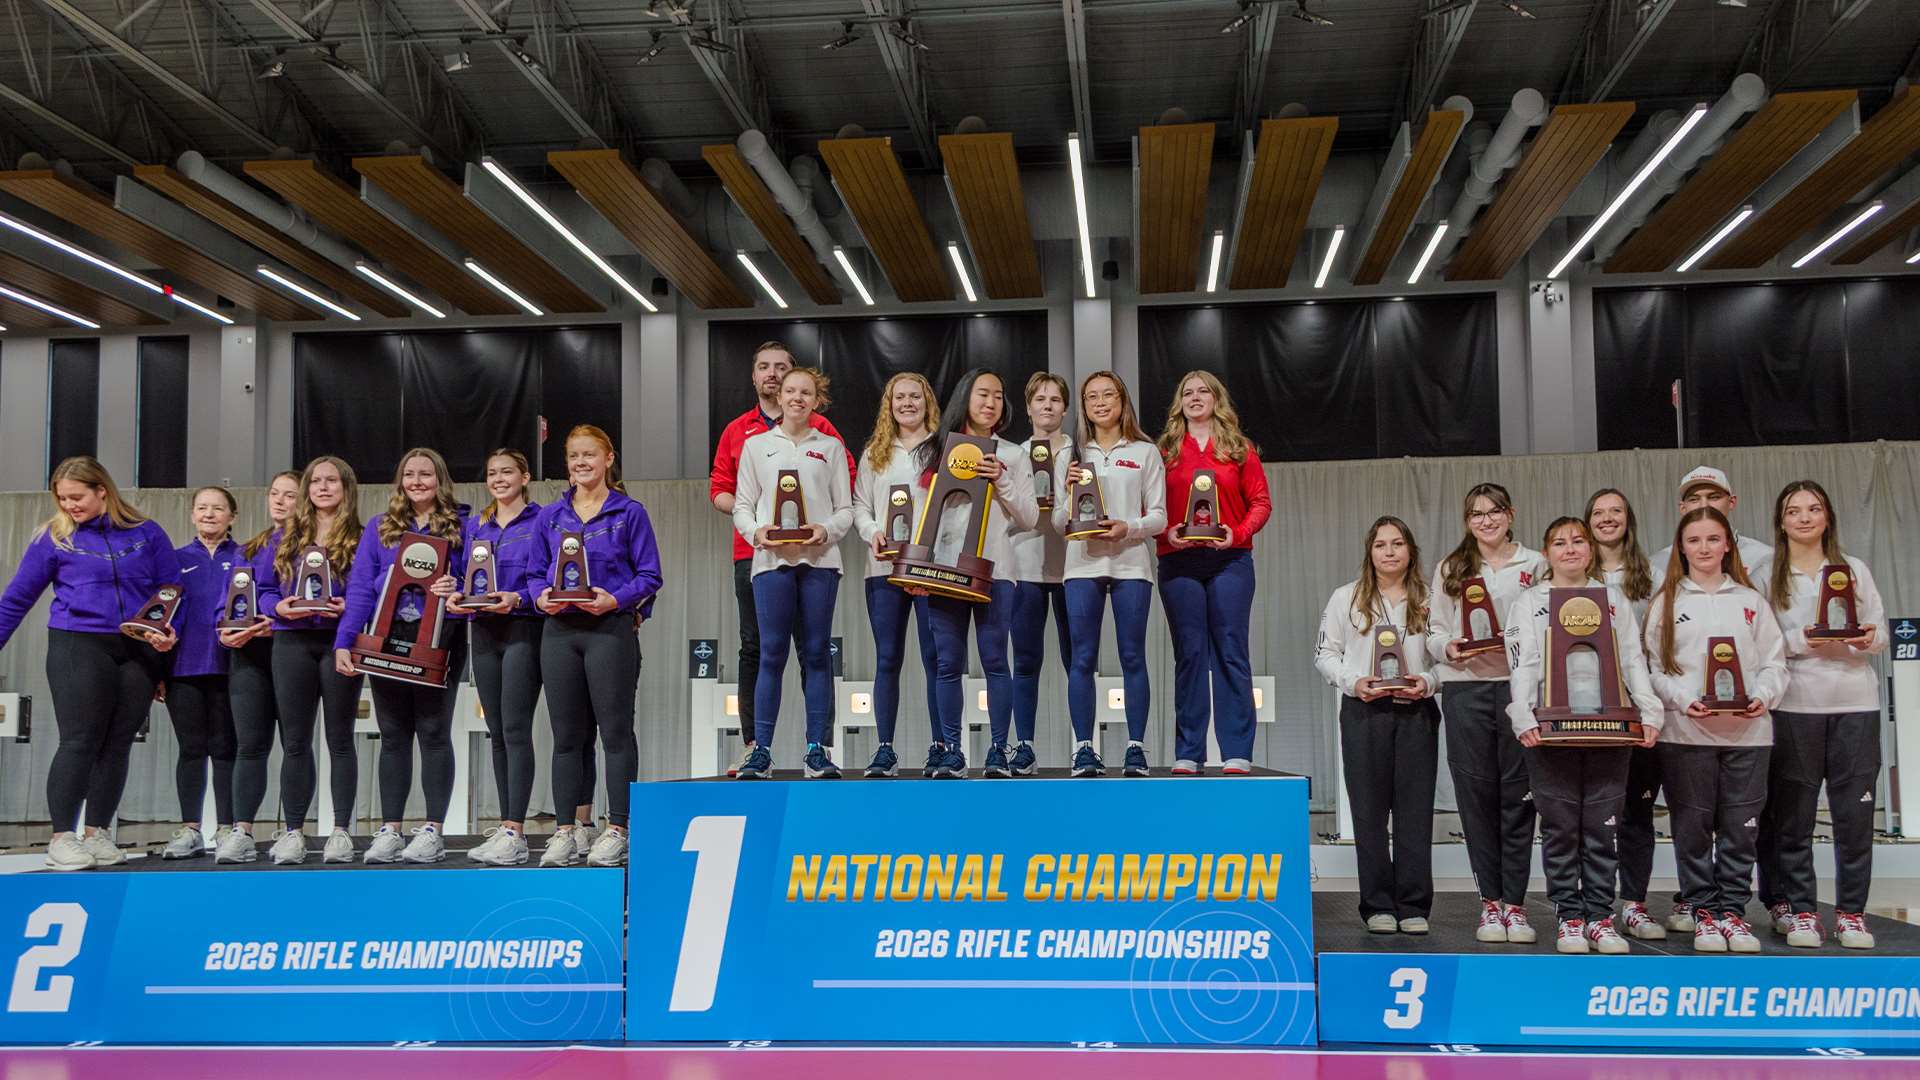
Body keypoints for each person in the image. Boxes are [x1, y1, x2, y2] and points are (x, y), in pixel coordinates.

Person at [0, 457, 176, 870]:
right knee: (79, 740)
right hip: (77, 645)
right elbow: (17, 598)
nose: (69, 505)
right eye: (62, 498)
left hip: (137, 649)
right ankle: (62, 837)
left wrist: (168, 631)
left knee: (117, 743)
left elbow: (171, 588)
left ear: (102, 491)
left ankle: (97, 834)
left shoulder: (147, 533)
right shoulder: (53, 538)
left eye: (76, 497)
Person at [1506, 517, 1662, 955]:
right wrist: (1523, 716)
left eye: (1578, 541)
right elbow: (1524, 664)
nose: (1570, 548)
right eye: (1559, 542)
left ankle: (1599, 916)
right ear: (1547, 552)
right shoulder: (1529, 602)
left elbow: (1633, 662)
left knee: (1600, 826)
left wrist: (1649, 712)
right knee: (1559, 828)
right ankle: (1569, 917)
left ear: (1591, 549)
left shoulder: (1612, 600)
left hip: (1609, 730)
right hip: (1551, 730)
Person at [1644, 506, 1787, 953]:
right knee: (1692, 829)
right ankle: (1705, 912)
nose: (1703, 548)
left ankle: (1733, 913)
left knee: (1741, 830)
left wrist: (1763, 695)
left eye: (1712, 539)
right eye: (1694, 540)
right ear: (1681, 548)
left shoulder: (1750, 601)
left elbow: (1774, 662)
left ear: (1728, 544)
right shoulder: (1666, 602)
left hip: (1749, 735)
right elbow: (1651, 669)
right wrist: (1684, 700)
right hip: (1686, 735)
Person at [1753, 480, 1887, 949]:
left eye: (1814, 509)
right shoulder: (1767, 573)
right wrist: (1798, 641)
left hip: (1855, 702)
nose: (1805, 517)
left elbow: (1880, 633)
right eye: (1794, 510)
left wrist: (1867, 637)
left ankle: (1852, 913)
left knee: (1854, 818)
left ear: (1827, 516)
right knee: (1794, 818)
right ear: (1782, 520)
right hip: (1796, 704)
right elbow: (1761, 644)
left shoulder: (1854, 569)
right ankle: (1803, 911)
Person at [709, 341, 853, 775]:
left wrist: (825, 530)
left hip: (820, 562)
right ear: (770, 388)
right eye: (789, 390)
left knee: (816, 653)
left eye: (804, 392)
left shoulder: (828, 444)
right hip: (768, 561)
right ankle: (760, 750)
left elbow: (845, 507)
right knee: (767, 652)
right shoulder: (752, 443)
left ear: (815, 399)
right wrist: (757, 533)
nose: (795, 397)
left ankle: (817, 751)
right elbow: (740, 503)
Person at [529, 426, 663, 866]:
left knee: (616, 733)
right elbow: (534, 574)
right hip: (560, 634)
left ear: (608, 458)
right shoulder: (550, 517)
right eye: (573, 456)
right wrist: (539, 596)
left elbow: (649, 576)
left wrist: (616, 599)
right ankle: (567, 829)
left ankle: (618, 828)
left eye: (589, 455)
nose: (581, 463)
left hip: (610, 631)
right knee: (568, 738)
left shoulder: (629, 512)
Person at [335, 448, 470, 864]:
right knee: (392, 736)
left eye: (425, 474)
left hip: (438, 642)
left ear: (439, 478)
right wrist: (344, 641)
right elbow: (359, 590)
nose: (416, 481)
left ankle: (432, 830)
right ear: (399, 481)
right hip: (384, 646)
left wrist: (457, 583)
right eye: (409, 474)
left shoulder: (463, 524)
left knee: (433, 733)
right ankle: (390, 829)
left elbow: (478, 578)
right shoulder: (380, 528)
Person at [1424, 482, 1545, 944]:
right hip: (1466, 689)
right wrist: (1445, 646)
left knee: (1518, 800)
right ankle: (1489, 905)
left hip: (1520, 692)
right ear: (1467, 520)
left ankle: (1515, 905)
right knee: (1476, 800)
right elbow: (1434, 628)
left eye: (1494, 512)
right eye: (1476, 514)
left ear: (1510, 514)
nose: (1486, 520)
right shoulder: (1452, 568)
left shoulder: (1535, 564)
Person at [907, 368, 1037, 779]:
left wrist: (1003, 483)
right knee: (947, 664)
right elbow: (921, 515)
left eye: (998, 396)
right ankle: (951, 750)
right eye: (983, 394)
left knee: (996, 660)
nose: (991, 402)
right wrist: (916, 566)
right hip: (944, 570)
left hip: (996, 571)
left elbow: (1030, 517)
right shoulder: (934, 449)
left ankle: (999, 750)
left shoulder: (1013, 455)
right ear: (965, 398)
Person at [1314, 516, 1438, 934]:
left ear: (1410, 551)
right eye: (1381, 544)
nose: (1389, 551)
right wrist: (1353, 682)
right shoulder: (1345, 598)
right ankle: (1378, 905)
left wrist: (1429, 681)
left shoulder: (1431, 599)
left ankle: (1414, 906)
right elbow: (1325, 654)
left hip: (1415, 711)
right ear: (1370, 551)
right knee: (1368, 814)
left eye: (1398, 543)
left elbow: (1445, 659)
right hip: (1364, 711)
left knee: (1415, 814)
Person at [1155, 371, 1271, 775]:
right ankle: (1189, 751)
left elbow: (1260, 503)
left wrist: (1237, 533)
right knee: (1189, 655)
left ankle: (1236, 751)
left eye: (1203, 390)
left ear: (1217, 398)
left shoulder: (1240, 450)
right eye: (1187, 392)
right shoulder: (1165, 451)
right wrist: (1165, 531)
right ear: (1179, 403)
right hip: (1178, 560)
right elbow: (1151, 505)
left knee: (1230, 651)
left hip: (1230, 560)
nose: (1195, 397)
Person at [257, 455, 365, 865]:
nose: (322, 487)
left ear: (346, 488)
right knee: (296, 742)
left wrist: (346, 614)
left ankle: (340, 831)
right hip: (291, 643)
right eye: (316, 481)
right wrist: (278, 608)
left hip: (339, 642)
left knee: (340, 739)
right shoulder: (283, 536)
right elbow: (264, 589)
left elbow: (365, 591)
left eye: (331, 481)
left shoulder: (362, 534)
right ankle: (293, 832)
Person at [1059, 371, 1166, 778]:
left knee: (1132, 655)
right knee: (1082, 658)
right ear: (1084, 407)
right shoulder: (1071, 454)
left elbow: (1159, 516)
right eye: (1091, 397)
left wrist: (1128, 527)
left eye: (1108, 395)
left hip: (1130, 564)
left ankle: (1136, 748)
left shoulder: (1144, 452)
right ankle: (1084, 749)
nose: (1100, 402)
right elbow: (1056, 520)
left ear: (1123, 401)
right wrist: (1068, 504)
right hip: (1082, 564)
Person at [1583, 488, 1665, 940]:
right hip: (1583, 711)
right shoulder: (1573, 574)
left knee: (1636, 811)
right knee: (1592, 813)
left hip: (1634, 708)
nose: (1607, 518)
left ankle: (1633, 903)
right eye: (1598, 512)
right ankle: (1589, 906)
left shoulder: (1651, 576)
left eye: (1616, 510)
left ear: (1629, 519)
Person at [850, 374, 941, 778]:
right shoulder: (875, 454)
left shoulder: (943, 449)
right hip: (883, 569)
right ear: (889, 404)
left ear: (928, 402)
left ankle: (942, 746)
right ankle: (884, 749)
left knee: (935, 658)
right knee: (888, 657)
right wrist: (873, 533)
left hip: (930, 568)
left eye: (914, 396)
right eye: (899, 397)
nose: (907, 403)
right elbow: (860, 507)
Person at [462, 450, 547, 866]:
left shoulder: (543, 521)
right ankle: (505, 826)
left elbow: (551, 577)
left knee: (515, 729)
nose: (498, 479)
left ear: (525, 476)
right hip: (482, 631)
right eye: (492, 472)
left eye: (507, 471)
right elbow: (464, 575)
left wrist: (520, 598)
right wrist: (452, 592)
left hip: (523, 629)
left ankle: (517, 830)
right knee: (496, 732)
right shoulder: (476, 526)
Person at [215, 470, 299, 863]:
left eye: (290, 495)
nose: (280, 501)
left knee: (295, 745)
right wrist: (226, 629)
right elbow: (229, 601)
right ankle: (242, 830)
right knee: (250, 745)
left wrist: (278, 621)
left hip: (294, 651)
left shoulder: (318, 546)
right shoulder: (248, 549)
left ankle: (293, 831)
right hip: (249, 655)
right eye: (275, 494)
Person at [158, 486, 245, 859]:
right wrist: (157, 671)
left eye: (218, 508)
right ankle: (190, 829)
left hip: (232, 669)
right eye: (202, 508)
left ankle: (227, 828)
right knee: (192, 748)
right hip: (183, 668)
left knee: (227, 748)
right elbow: (160, 619)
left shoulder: (246, 557)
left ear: (232, 516)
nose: (209, 514)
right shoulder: (173, 560)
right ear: (193, 515)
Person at [1008, 373, 1074, 774]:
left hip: (1074, 570)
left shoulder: (1080, 454)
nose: (1047, 406)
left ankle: (1084, 745)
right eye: (1040, 399)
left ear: (1065, 408)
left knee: (1078, 663)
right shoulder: (1014, 455)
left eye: (1055, 400)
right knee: (1026, 661)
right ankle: (1025, 747)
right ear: (1029, 407)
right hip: (1026, 567)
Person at [1649, 466, 1773, 589]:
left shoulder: (1764, 557)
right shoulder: (1658, 564)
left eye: (1714, 497)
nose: (1704, 505)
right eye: (1694, 499)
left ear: (1732, 502)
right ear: (1682, 508)